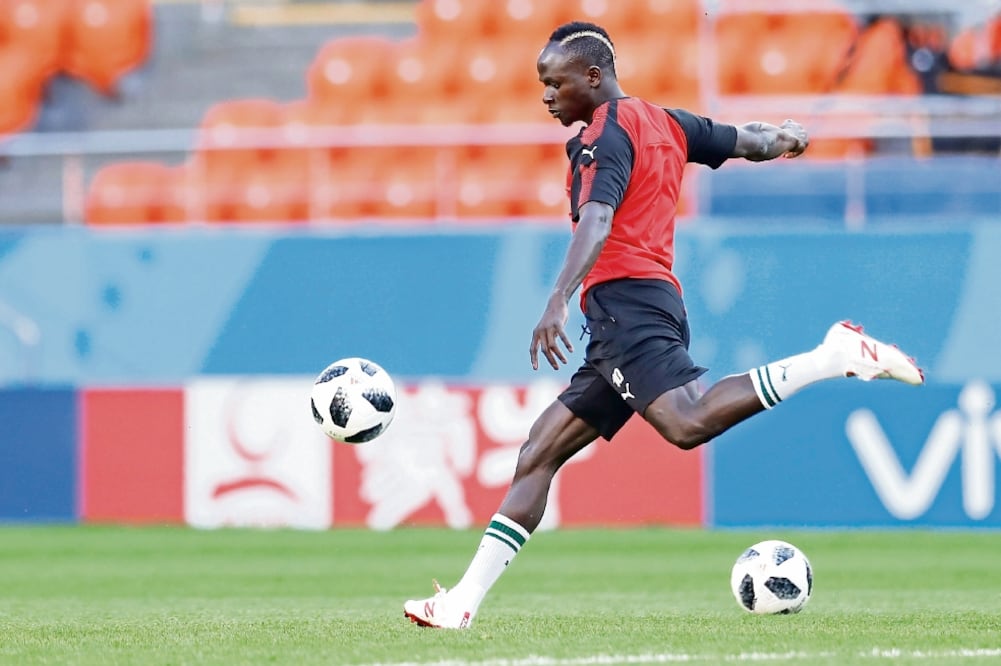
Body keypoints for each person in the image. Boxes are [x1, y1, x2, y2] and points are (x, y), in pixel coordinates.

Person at [404, 21, 924, 630]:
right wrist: (784, 138)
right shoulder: (667, 121)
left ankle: (831, 356)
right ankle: (462, 602)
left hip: (627, 304)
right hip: (631, 312)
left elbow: (596, 221)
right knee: (537, 453)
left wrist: (555, 300)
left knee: (686, 421)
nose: (546, 95)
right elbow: (744, 141)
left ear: (592, 77)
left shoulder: (604, 135)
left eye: (554, 82)